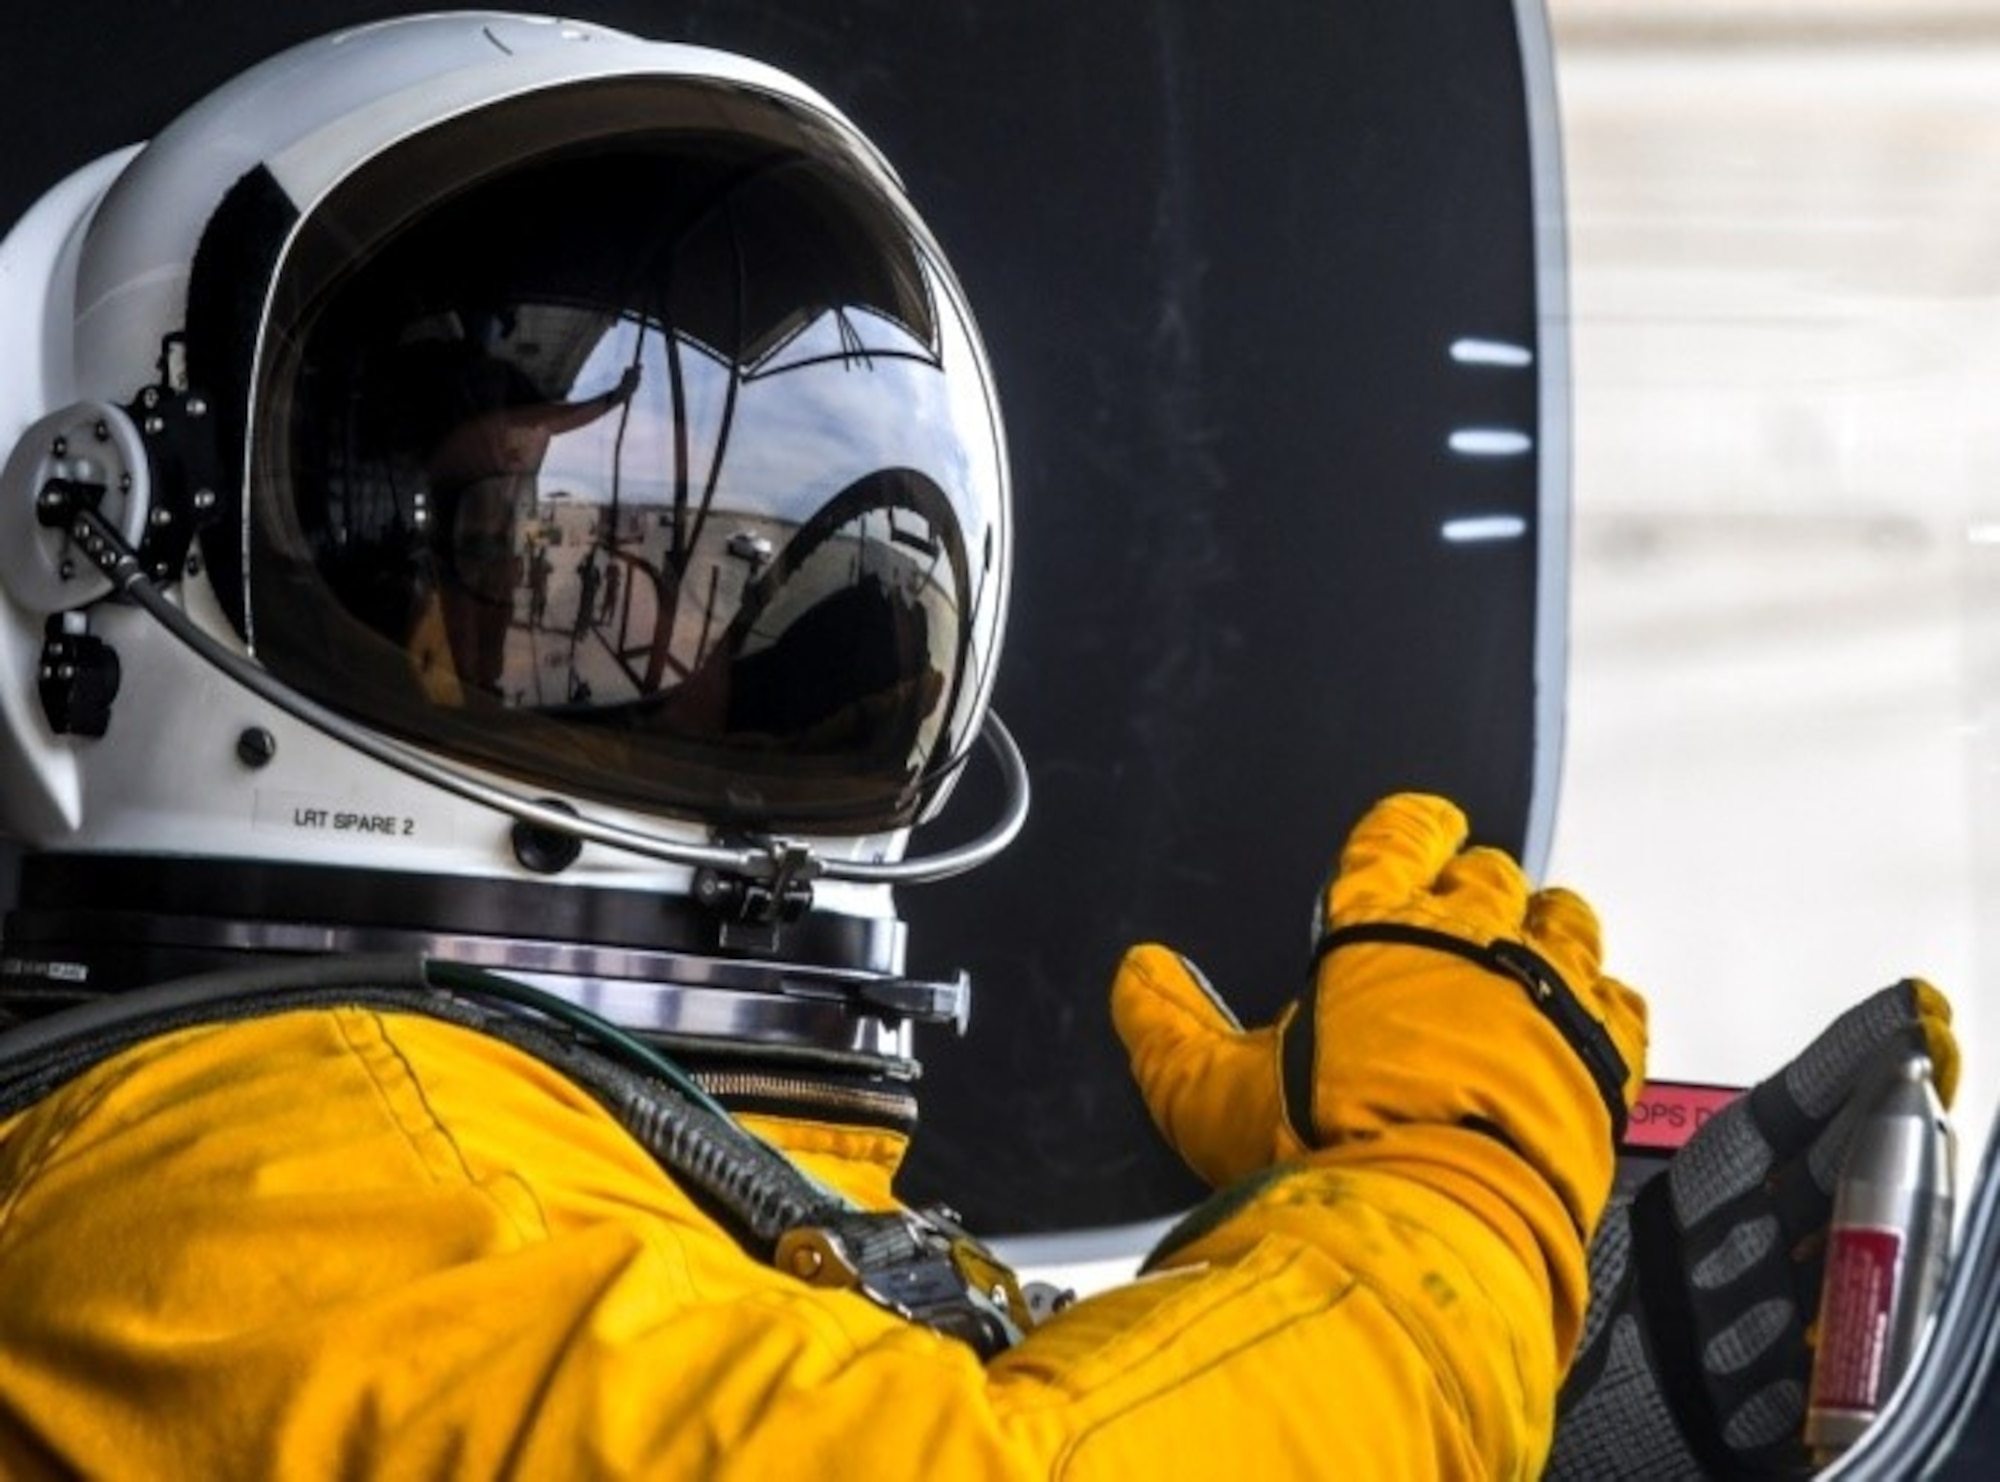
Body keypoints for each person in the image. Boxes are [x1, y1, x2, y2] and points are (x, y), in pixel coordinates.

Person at [0, 15, 1956, 1478]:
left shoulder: (520, 1164)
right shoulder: (253, 1194)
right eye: (524, 549)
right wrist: (1445, 1205)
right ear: (107, 527)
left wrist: (1516, 1331)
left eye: (719, 555)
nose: (658, 628)